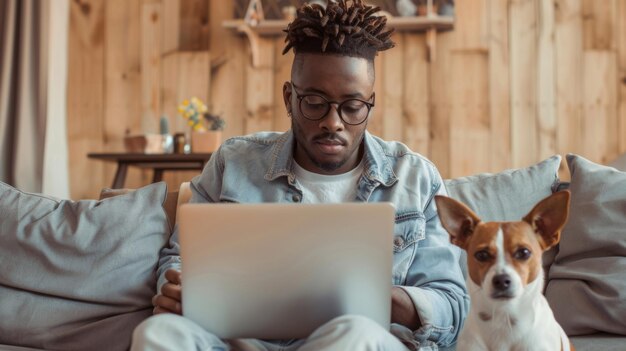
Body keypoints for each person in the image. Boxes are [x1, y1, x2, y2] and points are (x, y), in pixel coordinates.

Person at [132, 1, 468, 350]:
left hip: (354, 340)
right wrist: (175, 288)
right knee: (156, 334)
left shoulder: (415, 177)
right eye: (314, 102)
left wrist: (389, 299)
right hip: (245, 342)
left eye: (352, 106)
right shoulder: (233, 161)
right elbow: (180, 257)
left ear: (370, 104)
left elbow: (452, 305)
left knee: (358, 332)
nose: (333, 122)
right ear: (289, 98)